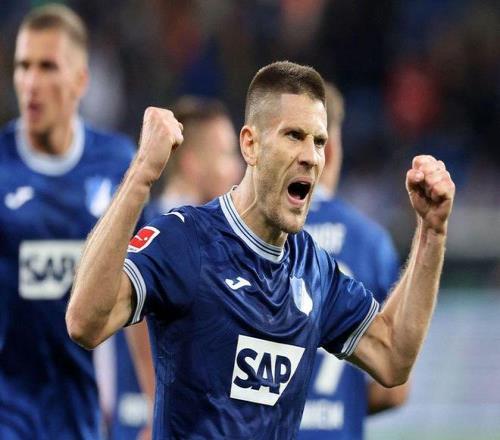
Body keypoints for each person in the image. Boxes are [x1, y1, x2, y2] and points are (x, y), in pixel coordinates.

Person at [66, 61, 455, 439]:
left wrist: (432, 231)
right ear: (250, 145)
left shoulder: (314, 270)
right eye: (294, 136)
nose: (311, 156)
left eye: (319, 141)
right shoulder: (187, 240)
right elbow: (85, 322)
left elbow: (392, 357)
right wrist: (141, 174)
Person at [0, 4, 137, 439]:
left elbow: (143, 280)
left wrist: (156, 402)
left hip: (85, 412)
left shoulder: (117, 163)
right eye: (23, 66)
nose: (31, 82)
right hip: (9, 408)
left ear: (80, 80)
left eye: (47, 67)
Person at [112, 95, 242, 440]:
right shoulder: (158, 229)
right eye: (227, 154)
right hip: (149, 423)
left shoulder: (211, 234)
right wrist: (154, 406)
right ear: (192, 164)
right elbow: (133, 320)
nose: (237, 169)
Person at [298, 84, 408, 439]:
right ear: (331, 147)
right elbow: (393, 391)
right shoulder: (370, 243)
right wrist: (341, 405)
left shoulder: (253, 236)